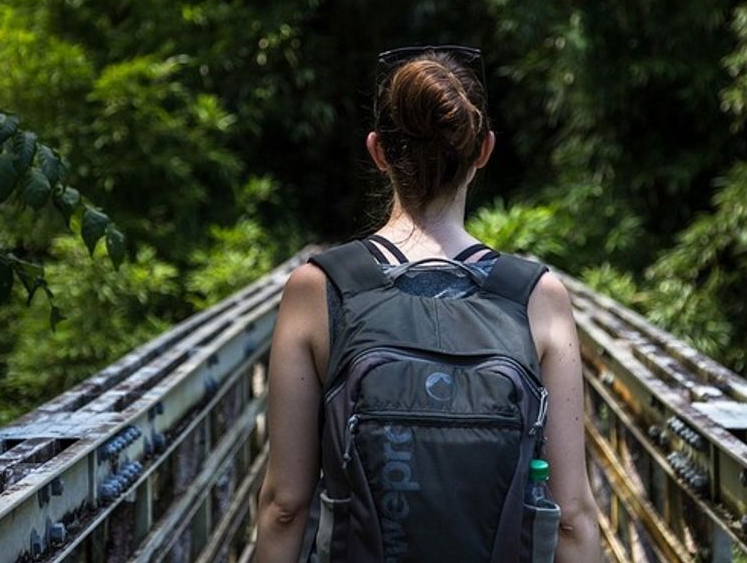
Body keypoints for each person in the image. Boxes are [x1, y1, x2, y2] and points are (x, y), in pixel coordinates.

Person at [256, 46, 601, 562]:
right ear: (483, 150)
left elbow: (285, 504)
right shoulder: (535, 296)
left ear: (378, 152)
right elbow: (571, 515)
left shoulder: (319, 288)